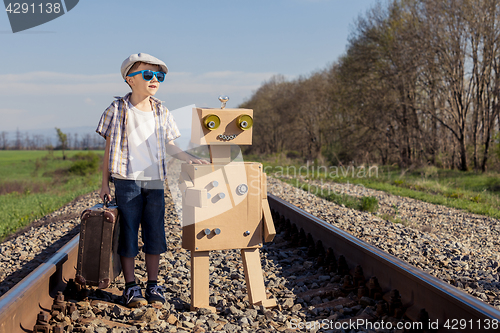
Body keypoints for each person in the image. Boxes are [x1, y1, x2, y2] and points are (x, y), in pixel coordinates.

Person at [96, 53, 207, 308]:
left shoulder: (162, 111)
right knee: (129, 232)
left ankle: (153, 284)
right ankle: (131, 285)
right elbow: (108, 148)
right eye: (147, 75)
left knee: (155, 231)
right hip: (126, 180)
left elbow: (170, 145)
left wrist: (189, 157)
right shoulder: (117, 109)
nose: (154, 79)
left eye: (159, 76)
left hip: (154, 180)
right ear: (130, 79)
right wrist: (104, 183)